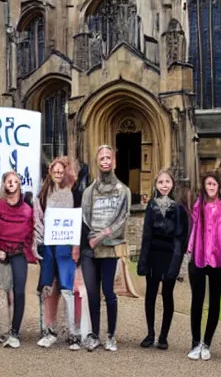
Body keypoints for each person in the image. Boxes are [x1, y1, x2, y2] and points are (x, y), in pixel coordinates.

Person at [80, 145, 130, 352]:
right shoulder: (89, 191)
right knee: (92, 294)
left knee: (108, 292)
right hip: (89, 252)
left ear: (114, 162)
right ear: (97, 162)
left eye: (109, 158)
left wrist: (100, 236)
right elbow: (85, 217)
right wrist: (92, 238)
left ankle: (111, 335)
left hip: (108, 250)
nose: (105, 161)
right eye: (102, 158)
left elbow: (122, 220)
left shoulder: (123, 191)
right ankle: (94, 335)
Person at [186, 169, 221, 361]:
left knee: (214, 301)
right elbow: (192, 230)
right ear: (204, 186)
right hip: (198, 259)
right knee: (197, 301)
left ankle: (207, 343)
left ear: (218, 186)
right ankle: (195, 343)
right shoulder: (197, 205)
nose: (210, 187)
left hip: (219, 260)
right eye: (208, 184)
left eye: (213, 184)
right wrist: (190, 251)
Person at [137, 169, 188, 351]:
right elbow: (146, 235)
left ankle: (163, 336)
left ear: (172, 184)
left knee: (167, 295)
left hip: (170, 256)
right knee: (150, 294)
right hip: (153, 255)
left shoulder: (179, 208)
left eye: (167, 182)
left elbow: (182, 238)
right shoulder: (151, 206)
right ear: (156, 185)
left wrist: (176, 264)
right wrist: (143, 262)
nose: (164, 185)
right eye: (160, 182)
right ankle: (150, 333)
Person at [34, 156, 82, 350]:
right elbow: (38, 218)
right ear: (51, 172)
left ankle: (73, 333)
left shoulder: (74, 192)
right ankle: (48, 331)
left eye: (61, 171)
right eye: (55, 171)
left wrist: (76, 246)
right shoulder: (44, 193)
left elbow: (79, 219)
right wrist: (38, 243)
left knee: (67, 288)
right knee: (46, 288)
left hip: (66, 246)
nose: (58, 174)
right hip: (49, 246)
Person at [0, 171, 38, 348]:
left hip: (19, 253)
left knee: (18, 292)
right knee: (0, 292)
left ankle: (15, 332)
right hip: (2, 254)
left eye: (14, 181)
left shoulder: (27, 210)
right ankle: (2, 331)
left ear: (19, 184)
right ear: (4, 184)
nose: (11, 184)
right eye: (8, 181)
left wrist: (27, 252)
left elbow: (30, 233)